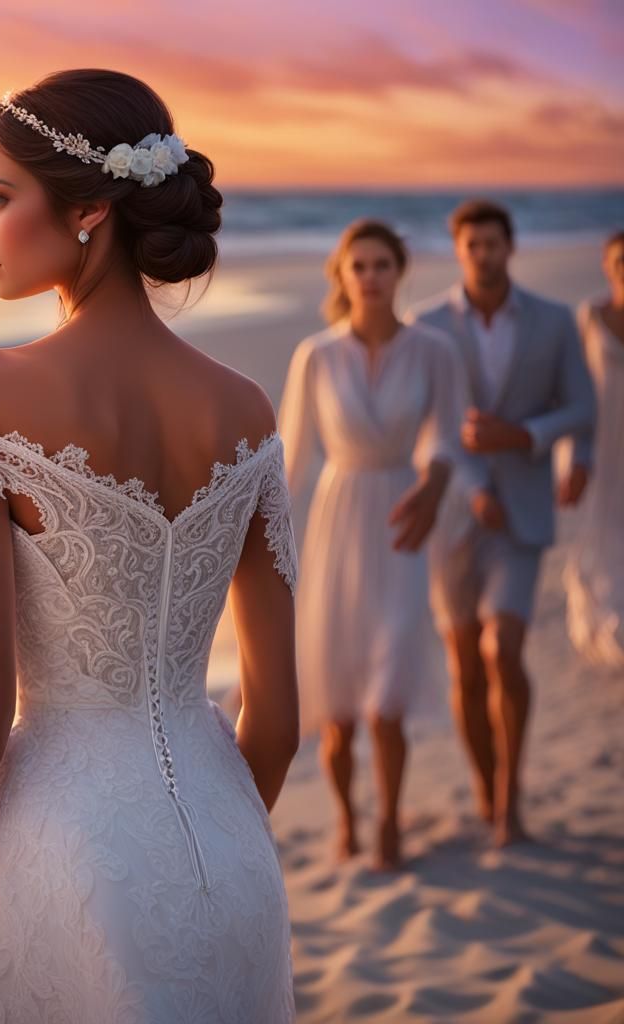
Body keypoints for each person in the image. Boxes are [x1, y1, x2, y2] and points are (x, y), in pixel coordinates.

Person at [0, 69, 300, 1024]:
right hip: (232, 860)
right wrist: (211, 849)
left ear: (91, 207)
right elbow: (277, 718)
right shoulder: (247, 412)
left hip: (63, 861)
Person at [411, 199, 596, 846]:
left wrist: (524, 436)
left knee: (504, 650)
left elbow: (581, 407)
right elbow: (426, 427)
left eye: (493, 244)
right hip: (453, 519)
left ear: (510, 246)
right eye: (471, 246)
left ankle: (511, 801)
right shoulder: (427, 326)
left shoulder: (553, 321)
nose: (483, 255)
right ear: (457, 251)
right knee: (465, 663)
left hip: (522, 513)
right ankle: (487, 791)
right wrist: (467, 484)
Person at [279, 220, 462, 870]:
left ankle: (388, 818)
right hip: (338, 516)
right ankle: (346, 821)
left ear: (399, 271)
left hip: (404, 519)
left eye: (382, 264)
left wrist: (436, 481)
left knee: (386, 699)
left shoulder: (434, 351)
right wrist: (249, 533)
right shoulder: (317, 356)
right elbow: (290, 458)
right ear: (343, 275)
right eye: (359, 266)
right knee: (338, 703)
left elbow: (446, 435)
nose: (371, 276)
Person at [564, 230, 624, 666]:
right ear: (606, 265)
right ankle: (605, 618)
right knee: (597, 528)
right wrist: (573, 456)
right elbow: (571, 388)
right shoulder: (590, 316)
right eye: (620, 261)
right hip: (599, 440)